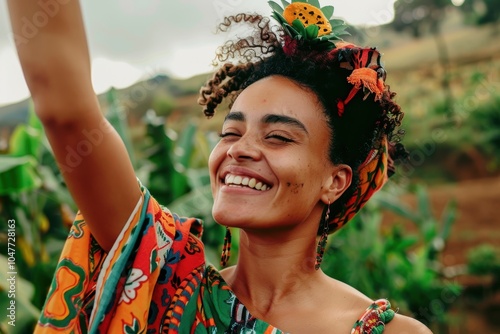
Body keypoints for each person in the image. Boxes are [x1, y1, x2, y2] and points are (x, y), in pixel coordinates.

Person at [8, 0, 432, 333]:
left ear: (335, 181)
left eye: (278, 136)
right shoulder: (165, 284)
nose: (240, 150)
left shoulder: (389, 333)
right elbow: (67, 115)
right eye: (231, 132)